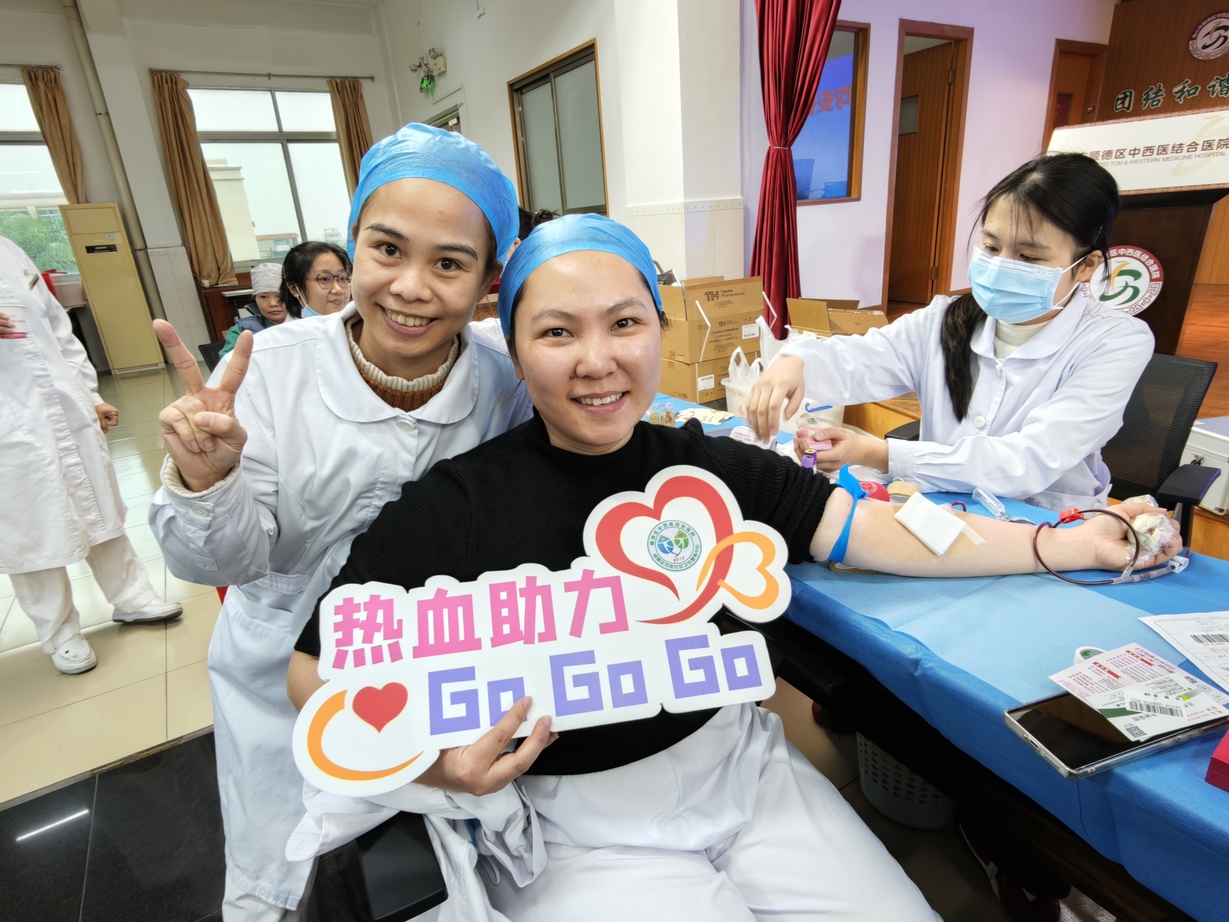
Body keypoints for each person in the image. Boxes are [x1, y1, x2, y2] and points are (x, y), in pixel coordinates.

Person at [286, 215, 1176, 922]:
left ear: (656, 332)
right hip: (576, 825)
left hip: (747, 775)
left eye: (625, 324)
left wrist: (1061, 543)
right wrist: (436, 765)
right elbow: (314, 669)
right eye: (556, 332)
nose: (598, 361)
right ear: (515, 352)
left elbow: (869, 530)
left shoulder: (708, 467)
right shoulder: (457, 505)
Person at [150, 123, 534, 920]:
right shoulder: (268, 373)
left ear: (488, 278)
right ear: (352, 244)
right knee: (280, 880)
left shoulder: (505, 385)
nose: (410, 288)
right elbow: (218, 562)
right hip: (278, 676)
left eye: (449, 263)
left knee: (446, 879)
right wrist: (205, 479)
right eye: (387, 249)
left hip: (434, 675)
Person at [745, 153, 1153, 512]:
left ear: (1085, 266)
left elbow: (1026, 463)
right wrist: (794, 362)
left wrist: (882, 454)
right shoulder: (946, 319)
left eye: (1029, 257)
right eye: (991, 248)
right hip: (942, 511)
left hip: (1049, 523)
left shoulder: (1115, 342)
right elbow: (862, 359)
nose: (1002, 265)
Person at [0, 235, 182, 675]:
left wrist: (90, 394)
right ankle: (59, 632)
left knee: (100, 507)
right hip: (11, 423)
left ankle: (132, 597)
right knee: (35, 529)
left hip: (66, 410)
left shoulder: (9, 250)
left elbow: (58, 330)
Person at [219, 262, 288, 358]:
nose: (272, 303)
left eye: (280, 296)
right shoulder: (241, 330)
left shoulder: (306, 323)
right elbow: (227, 361)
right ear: (255, 299)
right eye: (263, 297)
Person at [278, 241, 351, 318]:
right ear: (294, 289)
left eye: (343, 278)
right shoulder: (293, 326)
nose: (338, 290)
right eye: (325, 279)